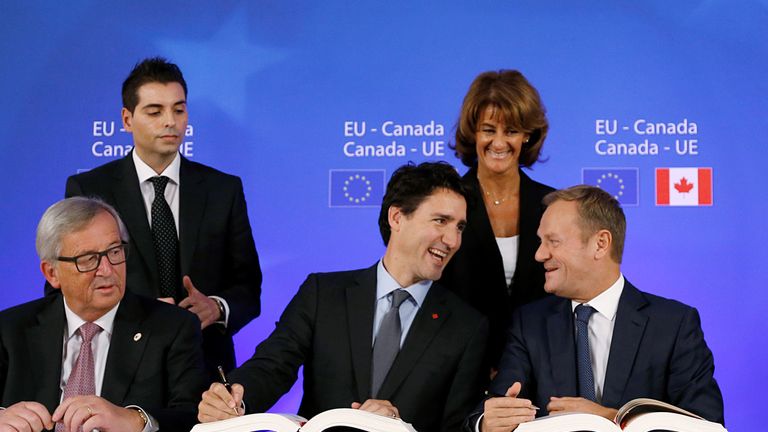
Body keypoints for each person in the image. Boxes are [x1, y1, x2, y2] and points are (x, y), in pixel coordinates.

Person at [198, 162, 489, 432]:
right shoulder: (323, 294)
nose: (452, 240)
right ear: (397, 217)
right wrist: (234, 398)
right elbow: (272, 366)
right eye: (441, 221)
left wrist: (398, 426)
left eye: (459, 227)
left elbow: (457, 426)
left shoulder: (467, 327)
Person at [62, 57, 262, 376]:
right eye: (155, 111)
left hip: (204, 369)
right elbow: (68, 287)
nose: (170, 121)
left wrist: (217, 307)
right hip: (119, 368)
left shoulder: (223, 189)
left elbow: (248, 287)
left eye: (179, 110)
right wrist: (136, 311)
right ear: (127, 119)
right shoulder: (89, 189)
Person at [470, 186, 724, 432]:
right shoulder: (530, 323)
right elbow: (494, 407)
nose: (539, 254)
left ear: (600, 244)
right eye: (540, 242)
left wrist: (610, 417)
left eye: (553, 241)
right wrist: (486, 422)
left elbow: (705, 424)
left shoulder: (674, 324)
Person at [0, 197, 207, 432]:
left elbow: (194, 417)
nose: (107, 270)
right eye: (88, 259)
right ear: (52, 273)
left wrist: (136, 420)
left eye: (114, 251)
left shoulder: (173, 328)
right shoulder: (10, 330)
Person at [440, 70, 554, 368]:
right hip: (459, 369)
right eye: (489, 130)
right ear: (473, 133)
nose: (499, 143)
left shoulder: (553, 206)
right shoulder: (447, 203)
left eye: (512, 131)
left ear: (527, 135)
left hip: (538, 369)